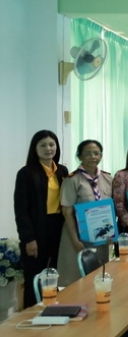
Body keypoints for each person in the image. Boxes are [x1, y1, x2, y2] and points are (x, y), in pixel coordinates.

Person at [14, 130, 69, 308]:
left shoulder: (62, 171)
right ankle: (31, 313)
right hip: (36, 228)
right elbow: (21, 210)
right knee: (35, 274)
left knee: (54, 272)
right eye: (43, 145)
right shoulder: (26, 173)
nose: (48, 148)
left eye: (52, 144)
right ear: (35, 148)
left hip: (58, 226)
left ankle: (52, 308)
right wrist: (28, 238)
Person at [59, 140, 113, 287]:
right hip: (77, 238)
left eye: (96, 153)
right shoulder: (72, 180)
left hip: (101, 238)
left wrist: (111, 234)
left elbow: (111, 209)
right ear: (80, 156)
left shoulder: (108, 179)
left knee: (99, 277)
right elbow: (67, 213)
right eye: (88, 154)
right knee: (77, 281)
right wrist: (75, 240)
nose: (93, 157)